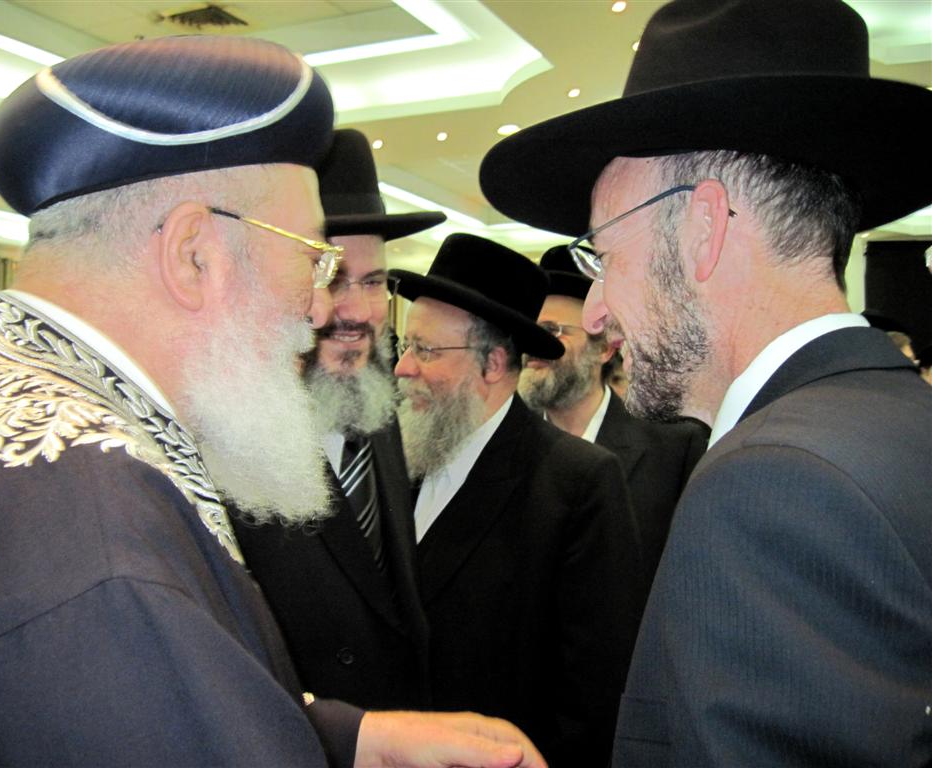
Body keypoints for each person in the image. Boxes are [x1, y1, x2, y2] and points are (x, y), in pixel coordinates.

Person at [0, 36, 546, 768]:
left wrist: (354, 738)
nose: (317, 310)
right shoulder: (95, 517)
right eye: (312, 261)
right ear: (194, 255)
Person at [480, 1, 932, 766]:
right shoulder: (896, 420)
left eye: (602, 257)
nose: (594, 313)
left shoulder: (774, 483)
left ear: (703, 227)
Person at [390, 233, 647, 767]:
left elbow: (594, 695)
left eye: (426, 350)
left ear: (493, 363)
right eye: (405, 345)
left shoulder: (577, 482)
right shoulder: (399, 458)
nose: (402, 368)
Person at [232, 128, 445, 709]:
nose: (353, 311)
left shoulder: (382, 408)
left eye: (373, 283)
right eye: (327, 275)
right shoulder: (227, 440)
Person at [520, 245, 708, 582]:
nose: (535, 347)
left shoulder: (674, 448)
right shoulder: (509, 447)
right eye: (530, 333)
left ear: (605, 349)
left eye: (551, 331)